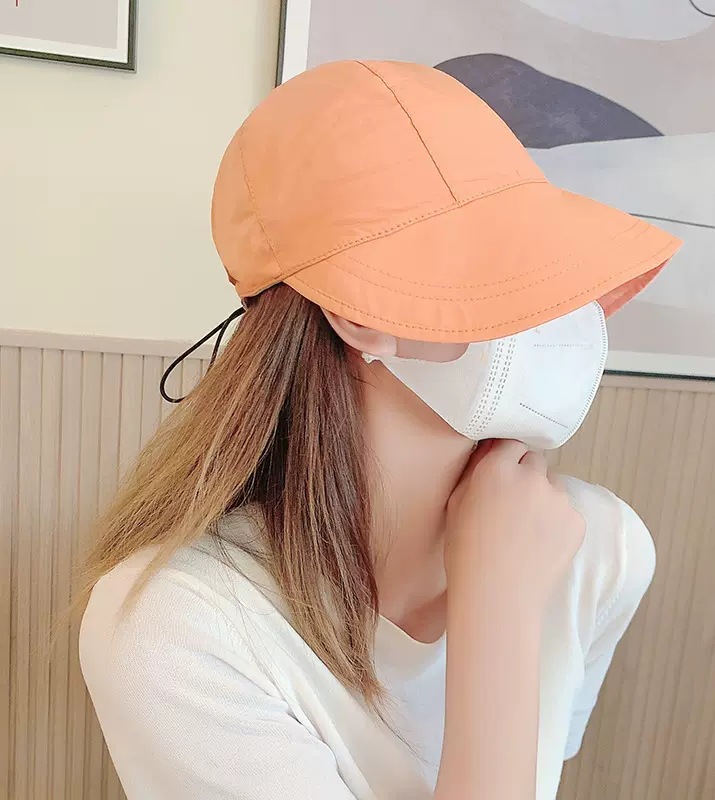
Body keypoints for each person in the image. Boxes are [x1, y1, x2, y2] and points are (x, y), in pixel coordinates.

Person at [78, 60, 680, 800]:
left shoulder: (600, 548)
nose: (562, 310)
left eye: (542, 258)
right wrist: (498, 607)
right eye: (501, 264)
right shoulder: (173, 626)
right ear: (357, 312)